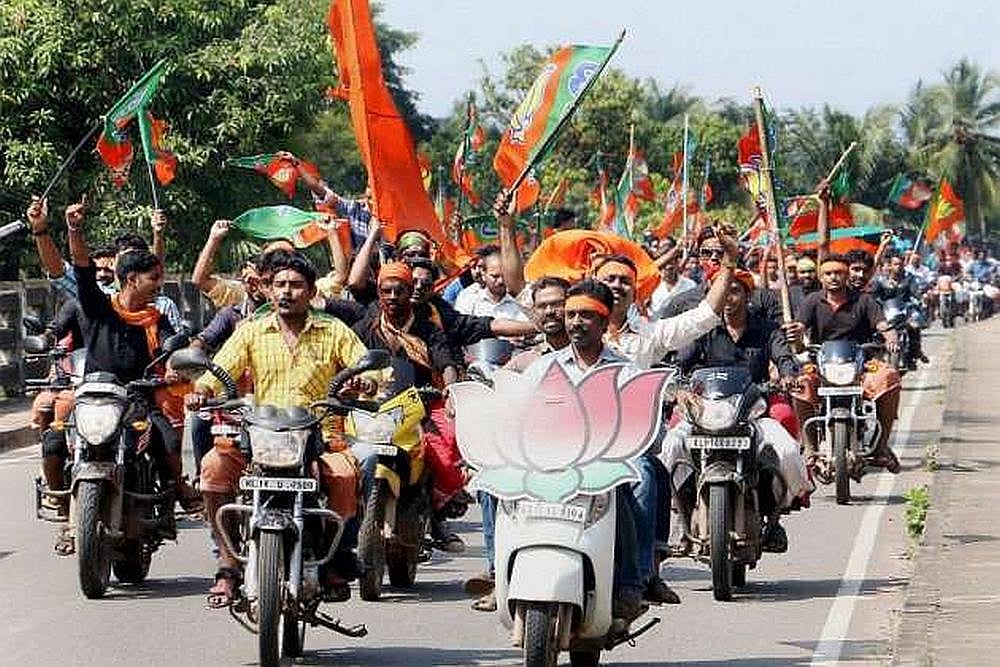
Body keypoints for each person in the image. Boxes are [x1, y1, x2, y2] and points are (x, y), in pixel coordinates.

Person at [188, 249, 377, 606]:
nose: (287, 292)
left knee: (345, 475)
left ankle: (333, 556)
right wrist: (202, 391)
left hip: (320, 438)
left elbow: (367, 367)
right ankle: (228, 564)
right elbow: (220, 370)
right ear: (268, 289)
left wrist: (365, 381)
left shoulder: (334, 330)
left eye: (296, 285)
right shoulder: (251, 331)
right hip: (261, 438)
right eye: (279, 285)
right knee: (212, 468)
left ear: (311, 291)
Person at [63, 196, 199, 552]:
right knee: (55, 440)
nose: (158, 284)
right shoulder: (98, 307)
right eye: (154, 278)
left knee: (167, 440)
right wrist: (74, 229)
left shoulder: (157, 317)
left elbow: (170, 346)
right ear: (131, 279)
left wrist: (174, 366)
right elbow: (81, 267)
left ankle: (176, 490)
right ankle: (63, 509)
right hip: (94, 397)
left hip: (138, 399)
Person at [666, 270, 811, 554]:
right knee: (670, 447)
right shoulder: (702, 329)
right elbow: (681, 364)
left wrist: (788, 374)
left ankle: (776, 515)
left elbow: (784, 358)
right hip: (705, 411)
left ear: (748, 295)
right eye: (722, 292)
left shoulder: (767, 329)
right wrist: (677, 383)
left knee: (787, 452)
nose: (728, 298)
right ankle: (679, 516)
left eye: (734, 291)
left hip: (753, 412)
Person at [466, 276, 572, 612]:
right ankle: (499, 574)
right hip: (531, 456)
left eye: (558, 304)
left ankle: (631, 581)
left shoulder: (590, 353)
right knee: (488, 482)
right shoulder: (524, 361)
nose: (551, 311)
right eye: (543, 306)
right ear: (534, 313)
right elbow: (496, 395)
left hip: (585, 455)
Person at [351, 262, 469, 551]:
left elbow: (446, 362)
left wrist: (450, 389)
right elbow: (348, 363)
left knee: (443, 449)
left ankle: (437, 516)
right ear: (379, 293)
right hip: (373, 408)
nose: (392, 297)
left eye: (399, 291)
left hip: (421, 405)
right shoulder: (365, 328)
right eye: (386, 291)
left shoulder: (428, 328)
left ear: (409, 292)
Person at [784, 254, 903, 474]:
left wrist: (891, 338)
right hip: (822, 364)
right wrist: (796, 334)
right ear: (821, 277)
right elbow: (799, 334)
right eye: (828, 273)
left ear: (847, 275)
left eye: (838, 273)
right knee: (801, 384)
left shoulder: (864, 300)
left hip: (862, 364)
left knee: (889, 378)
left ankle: (881, 446)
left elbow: (883, 325)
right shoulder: (812, 301)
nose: (833, 278)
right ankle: (810, 448)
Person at [26, 196, 183, 330]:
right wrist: (44, 230)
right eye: (125, 260)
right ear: (115, 264)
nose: (131, 267)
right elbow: (64, 270)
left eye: (138, 263)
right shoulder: (101, 299)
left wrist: (158, 235)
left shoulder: (161, 308)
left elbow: (174, 351)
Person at [407, 257, 537, 361]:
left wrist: (537, 326)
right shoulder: (468, 296)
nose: (418, 287)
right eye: (413, 282)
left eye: (425, 284)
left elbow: (488, 325)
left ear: (432, 289)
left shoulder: (440, 313)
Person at [454, 246, 529, 321]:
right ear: (483, 273)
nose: (501, 281)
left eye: (505, 275)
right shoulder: (468, 298)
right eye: (495, 276)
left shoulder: (523, 299)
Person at [649, 251, 697, 318]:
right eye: (662, 268)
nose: (666, 273)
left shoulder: (690, 285)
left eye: (670, 269)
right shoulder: (650, 286)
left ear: (676, 263)